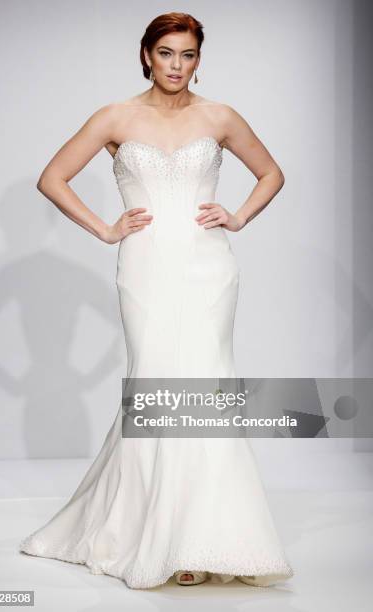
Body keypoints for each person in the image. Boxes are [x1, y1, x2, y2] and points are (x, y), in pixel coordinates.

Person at [19, 12, 294, 589]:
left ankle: (205, 538)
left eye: (187, 54)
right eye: (165, 53)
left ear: (199, 59)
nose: (176, 65)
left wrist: (238, 215)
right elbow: (52, 177)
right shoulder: (116, 117)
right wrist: (104, 228)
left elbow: (271, 173)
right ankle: (156, 535)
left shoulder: (219, 116)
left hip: (208, 267)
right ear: (146, 54)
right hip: (145, 268)